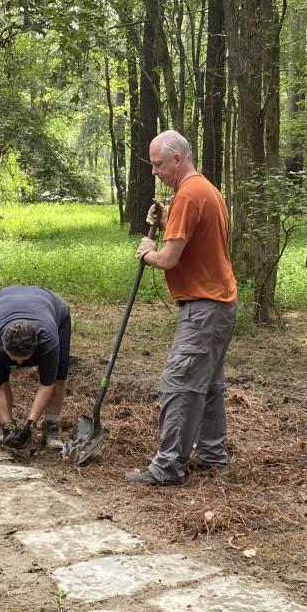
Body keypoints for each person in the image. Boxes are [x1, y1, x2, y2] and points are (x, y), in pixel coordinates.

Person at [125, 129, 238, 487]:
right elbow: (196, 239)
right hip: (221, 303)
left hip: (204, 308)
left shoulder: (189, 195)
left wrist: (147, 252)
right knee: (209, 384)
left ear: (177, 159)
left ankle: (168, 466)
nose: (154, 172)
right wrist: (164, 221)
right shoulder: (206, 190)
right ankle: (211, 455)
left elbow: (170, 259)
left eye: (158, 164)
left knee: (181, 382)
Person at [0, 285, 71, 450]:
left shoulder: (48, 339)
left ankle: (51, 428)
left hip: (54, 307)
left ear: (36, 347)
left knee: (58, 376)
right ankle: (7, 426)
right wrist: (9, 428)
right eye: (15, 359)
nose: (19, 365)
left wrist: (30, 425)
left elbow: (46, 385)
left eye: (24, 360)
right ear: (4, 346)